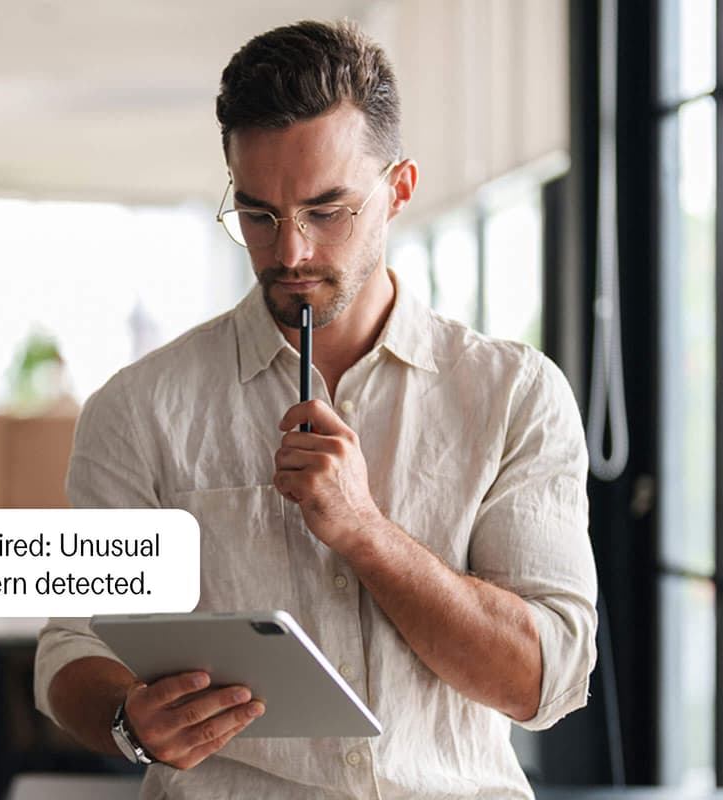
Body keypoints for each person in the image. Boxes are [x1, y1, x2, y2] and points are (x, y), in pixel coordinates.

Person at [34, 20, 598, 799]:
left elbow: (542, 682)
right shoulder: (137, 409)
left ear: (398, 190)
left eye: (328, 211)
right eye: (259, 215)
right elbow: (71, 648)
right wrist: (130, 721)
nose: (290, 251)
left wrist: (363, 530)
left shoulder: (514, 396)